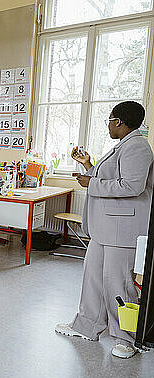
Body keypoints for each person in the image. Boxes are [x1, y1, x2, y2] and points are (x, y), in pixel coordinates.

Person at [55, 101, 153, 359]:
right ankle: (88, 326)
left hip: (123, 230)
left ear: (119, 121)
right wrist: (89, 166)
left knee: (118, 284)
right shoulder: (122, 146)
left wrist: (92, 182)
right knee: (93, 279)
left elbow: (132, 186)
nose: (108, 125)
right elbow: (111, 178)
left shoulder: (137, 147)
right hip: (106, 229)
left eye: (109, 120)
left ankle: (125, 339)